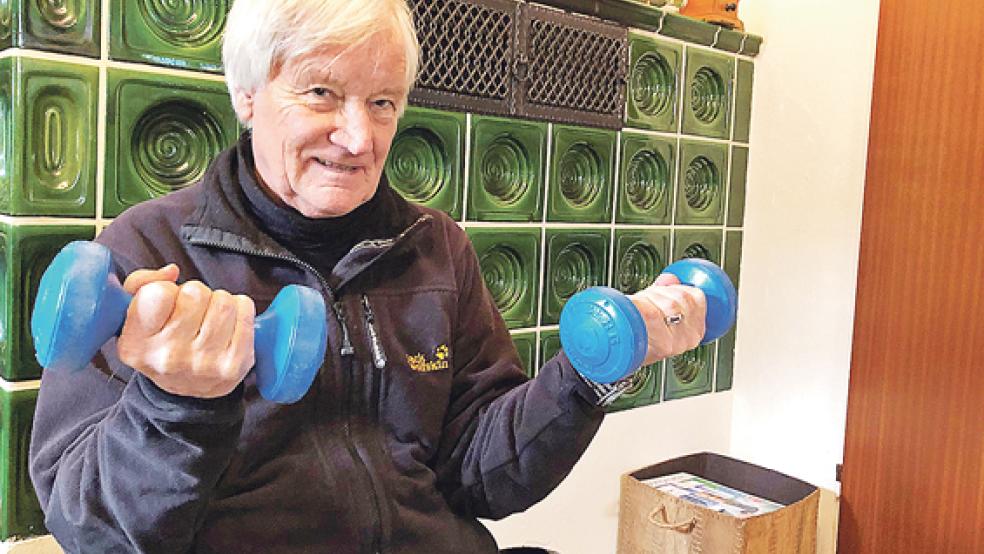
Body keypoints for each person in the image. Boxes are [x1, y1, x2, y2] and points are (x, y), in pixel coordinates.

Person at [28, 1, 707, 552]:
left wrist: (589, 376)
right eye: (323, 93)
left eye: (382, 103)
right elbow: (91, 531)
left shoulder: (435, 247)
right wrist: (177, 404)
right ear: (247, 94)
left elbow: (481, 481)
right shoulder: (144, 250)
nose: (358, 137)